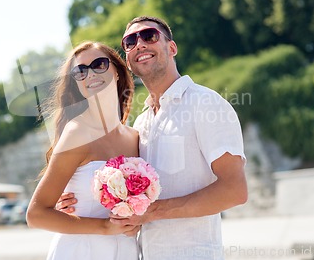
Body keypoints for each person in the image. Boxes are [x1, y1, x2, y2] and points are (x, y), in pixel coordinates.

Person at [57, 16, 248, 259]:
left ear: (172, 48)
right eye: (130, 41)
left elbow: (235, 190)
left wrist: (152, 212)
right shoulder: (140, 123)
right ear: (127, 60)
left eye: (149, 36)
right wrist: (77, 201)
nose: (139, 44)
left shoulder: (206, 104)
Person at [26, 41, 140, 260]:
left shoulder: (135, 137)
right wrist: (106, 227)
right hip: (81, 251)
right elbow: (36, 214)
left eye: (99, 64)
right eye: (80, 71)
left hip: (126, 251)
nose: (91, 74)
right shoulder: (77, 133)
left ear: (117, 72)